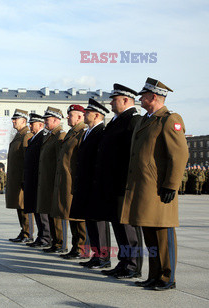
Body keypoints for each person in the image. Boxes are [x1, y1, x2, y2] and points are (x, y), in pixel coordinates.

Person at [121, 78, 188, 290]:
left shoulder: (169, 119)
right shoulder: (145, 120)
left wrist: (171, 185)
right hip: (144, 189)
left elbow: (179, 154)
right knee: (149, 234)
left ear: (154, 97)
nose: (140, 98)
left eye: (143, 95)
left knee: (162, 235)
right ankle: (154, 274)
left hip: (159, 189)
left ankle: (168, 277)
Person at [94, 83, 143, 279]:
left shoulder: (133, 120)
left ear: (125, 100)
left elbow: (133, 155)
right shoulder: (116, 121)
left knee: (129, 229)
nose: (111, 103)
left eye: (114, 100)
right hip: (112, 184)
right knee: (118, 226)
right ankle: (123, 263)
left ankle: (133, 266)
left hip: (123, 183)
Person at [70, 99, 111, 269]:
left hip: (95, 185)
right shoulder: (88, 132)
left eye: (87, 112)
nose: (84, 115)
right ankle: (96, 255)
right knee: (91, 223)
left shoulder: (101, 132)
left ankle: (104, 257)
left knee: (99, 224)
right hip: (86, 185)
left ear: (96, 115)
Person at [51, 105, 88, 259]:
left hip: (74, 181)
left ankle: (82, 248)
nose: (67, 117)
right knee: (71, 215)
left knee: (79, 218)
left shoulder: (82, 133)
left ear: (80, 117)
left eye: (70, 114)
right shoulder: (72, 133)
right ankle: (76, 247)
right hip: (66, 181)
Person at [37, 107, 68, 254]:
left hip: (53, 181)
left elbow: (59, 161)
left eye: (47, 120)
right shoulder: (50, 135)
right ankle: (55, 241)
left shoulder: (60, 136)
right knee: (49, 212)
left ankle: (60, 242)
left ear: (56, 120)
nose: (45, 122)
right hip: (47, 181)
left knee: (55, 213)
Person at [5, 109, 34, 243]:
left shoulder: (26, 136)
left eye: (15, 119)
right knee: (19, 206)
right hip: (16, 179)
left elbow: (26, 159)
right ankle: (24, 231)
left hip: (21, 179)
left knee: (24, 207)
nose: (13, 121)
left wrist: (24, 178)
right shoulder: (18, 135)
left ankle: (28, 233)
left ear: (23, 121)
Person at [23, 113, 51, 248]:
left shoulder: (42, 138)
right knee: (35, 209)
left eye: (32, 124)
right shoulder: (33, 138)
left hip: (38, 179)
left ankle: (46, 237)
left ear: (40, 125)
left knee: (41, 211)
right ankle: (41, 236)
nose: (29, 126)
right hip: (32, 180)